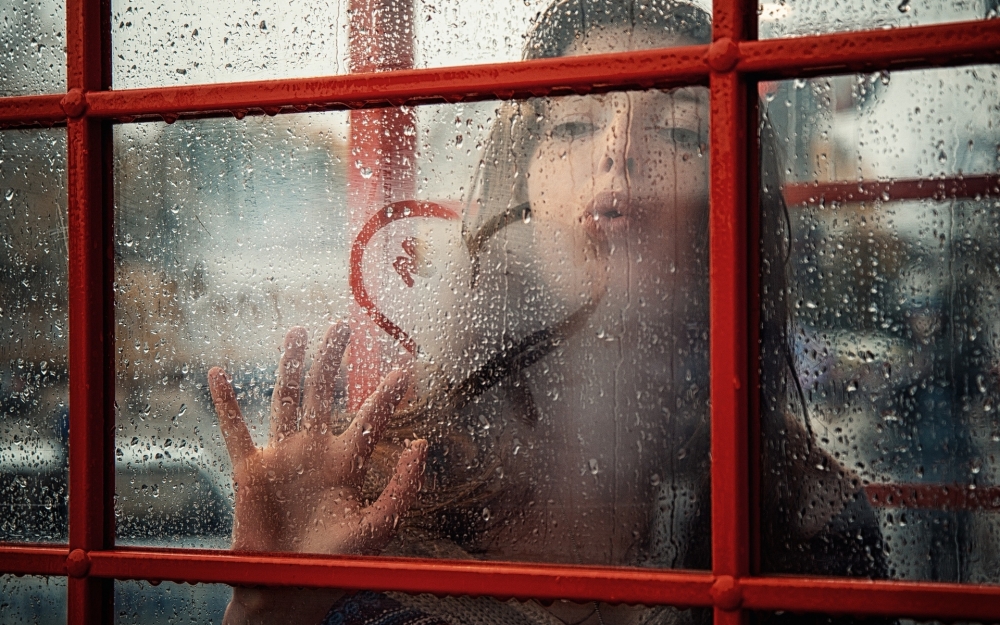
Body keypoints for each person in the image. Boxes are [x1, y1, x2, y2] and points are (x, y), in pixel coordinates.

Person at [208, 1, 886, 623]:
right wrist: (269, 607)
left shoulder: (802, 510)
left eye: (680, 132)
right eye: (572, 124)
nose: (619, 150)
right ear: (520, 188)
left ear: (730, 203)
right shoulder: (377, 486)